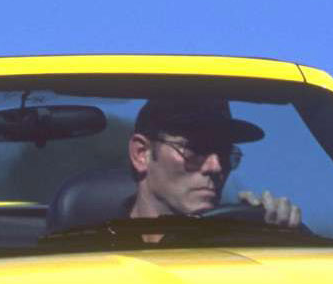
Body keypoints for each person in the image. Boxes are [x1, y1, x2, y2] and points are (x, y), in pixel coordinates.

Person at [126, 97, 301, 227]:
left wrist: (277, 238)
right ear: (142, 154)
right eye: (195, 149)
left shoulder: (239, 247)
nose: (216, 167)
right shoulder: (99, 247)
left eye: (225, 153)